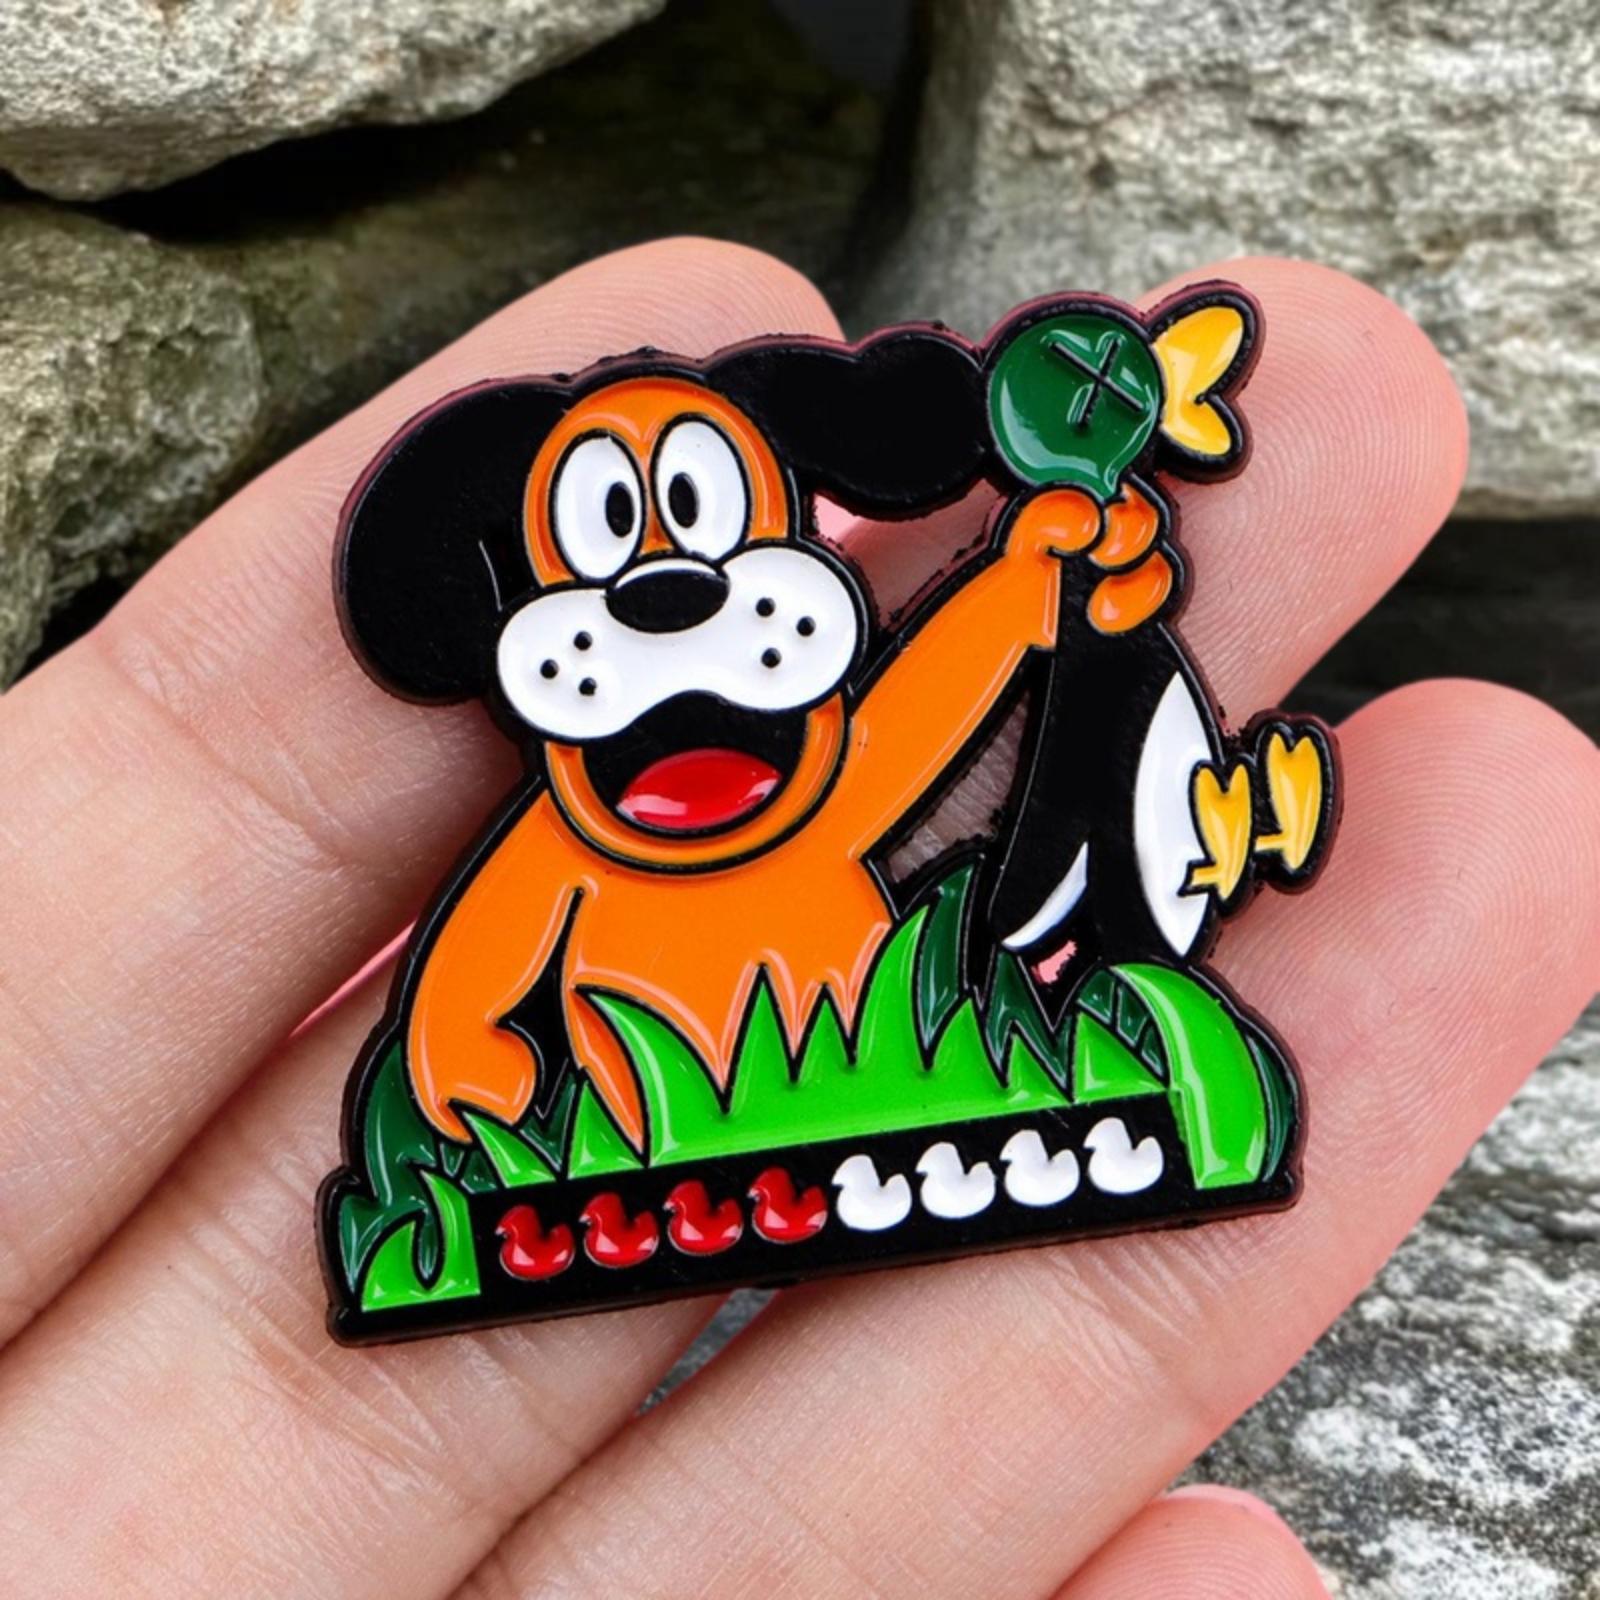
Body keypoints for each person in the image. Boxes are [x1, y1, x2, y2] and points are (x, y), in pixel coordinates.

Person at [0, 238, 1593, 1600]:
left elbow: (928, 709)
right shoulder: (555, 855)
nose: (665, 595)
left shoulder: (833, 784)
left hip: (839, 1110)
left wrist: (1025, 571)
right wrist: (473, 1075)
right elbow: (469, 992)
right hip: (648, 1152)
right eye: (611, 549)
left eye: (705, 525)